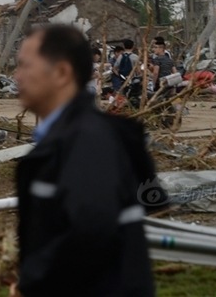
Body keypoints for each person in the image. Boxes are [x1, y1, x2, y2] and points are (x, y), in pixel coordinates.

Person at [13, 24, 161, 296]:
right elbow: (149, 199)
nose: (17, 76)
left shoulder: (88, 140)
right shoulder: (73, 137)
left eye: (25, 66)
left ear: (61, 73)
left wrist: (34, 281)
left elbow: (92, 229)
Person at [115, 39, 142, 107]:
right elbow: (138, 71)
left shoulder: (120, 56)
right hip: (133, 81)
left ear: (124, 47)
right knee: (134, 97)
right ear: (133, 46)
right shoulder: (135, 57)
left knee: (124, 96)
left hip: (123, 80)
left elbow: (114, 68)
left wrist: (119, 75)